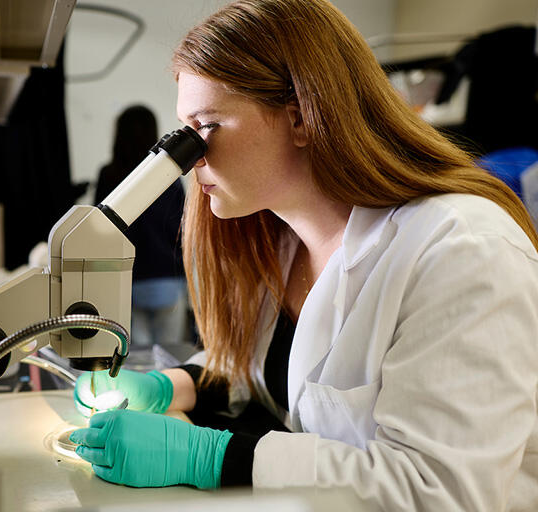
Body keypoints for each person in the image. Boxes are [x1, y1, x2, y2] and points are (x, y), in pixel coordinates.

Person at [70, 1, 538, 510]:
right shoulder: (282, 240)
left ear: (299, 118)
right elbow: (262, 374)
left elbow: (439, 491)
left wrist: (211, 456)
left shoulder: (461, 248)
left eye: (206, 126)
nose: (189, 159)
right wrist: (169, 386)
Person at [95, 105, 188, 347]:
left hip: (127, 279)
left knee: (133, 354)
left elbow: (101, 229)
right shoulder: (169, 176)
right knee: (169, 355)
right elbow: (182, 230)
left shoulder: (109, 175)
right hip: (168, 276)